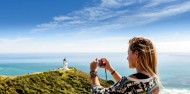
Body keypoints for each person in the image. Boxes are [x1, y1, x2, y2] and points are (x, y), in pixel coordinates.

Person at [90, 37, 161, 94]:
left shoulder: (131, 82)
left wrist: (93, 71)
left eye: (128, 53)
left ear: (136, 54)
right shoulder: (154, 78)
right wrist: (110, 69)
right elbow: (126, 87)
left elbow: (98, 92)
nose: (127, 58)